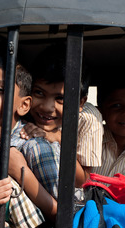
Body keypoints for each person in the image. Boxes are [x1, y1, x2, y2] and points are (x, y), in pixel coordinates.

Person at [0, 53, 57, 221]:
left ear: (24, 105)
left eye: (0, 90)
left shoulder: (34, 146)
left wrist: (20, 172)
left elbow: (62, 212)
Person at [20, 43, 104, 188]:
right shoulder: (22, 106)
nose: (47, 107)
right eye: (39, 93)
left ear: (80, 103)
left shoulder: (88, 120)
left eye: (60, 98)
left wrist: (58, 139)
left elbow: (83, 180)